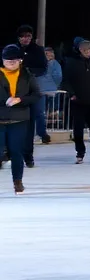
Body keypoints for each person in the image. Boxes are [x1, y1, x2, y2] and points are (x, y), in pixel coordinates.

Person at [1, 44, 39, 193]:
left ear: (20, 61)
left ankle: (18, 181)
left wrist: (20, 100)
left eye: (14, 60)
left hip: (19, 119)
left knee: (16, 152)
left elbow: (36, 95)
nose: (11, 63)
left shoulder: (27, 75)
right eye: (8, 60)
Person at [63, 39, 90, 164]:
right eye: (85, 49)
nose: (88, 51)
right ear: (79, 50)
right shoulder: (71, 62)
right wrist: (72, 94)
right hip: (78, 101)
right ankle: (80, 152)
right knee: (78, 128)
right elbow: (65, 80)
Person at [16, 26, 47, 164]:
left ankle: (28, 155)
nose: (25, 38)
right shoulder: (13, 50)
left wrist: (28, 73)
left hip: (31, 90)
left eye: (28, 35)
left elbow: (43, 68)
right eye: (22, 36)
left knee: (30, 123)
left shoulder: (37, 50)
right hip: (14, 90)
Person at [35, 46, 61, 144]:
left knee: (43, 112)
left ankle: (42, 133)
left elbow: (58, 76)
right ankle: (41, 133)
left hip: (47, 90)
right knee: (41, 113)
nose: (48, 55)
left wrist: (53, 85)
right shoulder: (45, 63)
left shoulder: (53, 64)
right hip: (43, 90)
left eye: (49, 53)